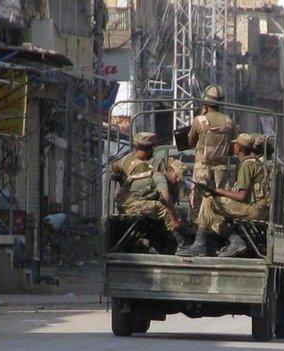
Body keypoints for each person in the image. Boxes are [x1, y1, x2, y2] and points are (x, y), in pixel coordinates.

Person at [177, 133, 270, 257]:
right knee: (213, 214)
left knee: (209, 201)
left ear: (239, 148)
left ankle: (200, 243)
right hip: (260, 209)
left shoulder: (247, 165)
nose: (232, 147)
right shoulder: (254, 163)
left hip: (254, 210)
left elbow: (242, 196)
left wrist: (218, 191)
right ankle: (234, 239)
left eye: (235, 145)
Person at [111, 132, 188, 252]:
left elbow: (114, 174)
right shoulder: (157, 166)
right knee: (165, 209)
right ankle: (182, 244)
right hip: (135, 204)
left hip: (132, 203)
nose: (177, 180)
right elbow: (165, 196)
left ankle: (153, 242)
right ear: (152, 148)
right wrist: (174, 218)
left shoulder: (124, 161)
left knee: (164, 209)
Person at [188, 84, 238, 212]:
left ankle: (199, 226)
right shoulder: (229, 122)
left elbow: (191, 141)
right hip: (221, 170)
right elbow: (232, 149)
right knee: (221, 202)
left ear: (205, 101)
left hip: (202, 168)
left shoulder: (199, 120)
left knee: (198, 203)